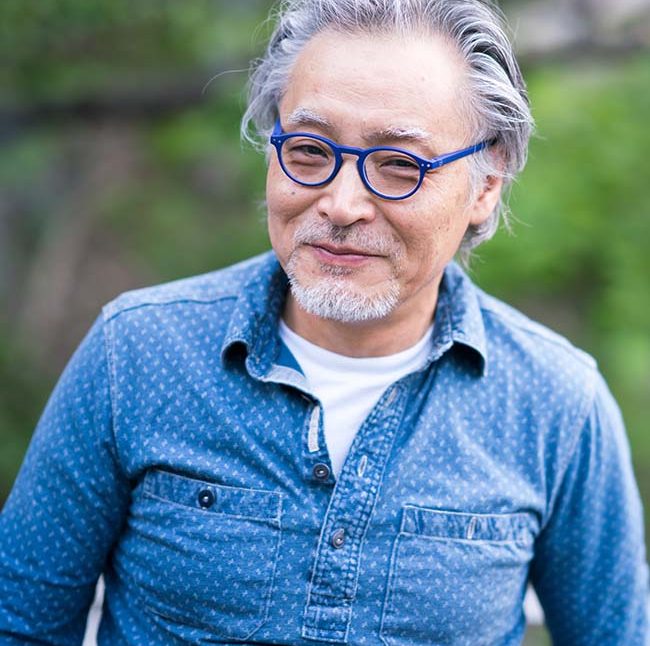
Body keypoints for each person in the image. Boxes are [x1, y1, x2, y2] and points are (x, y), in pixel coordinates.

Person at [1, 0, 647, 643]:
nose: (341, 204)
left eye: (400, 165)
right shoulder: (137, 355)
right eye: (309, 151)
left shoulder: (557, 404)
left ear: (486, 184)